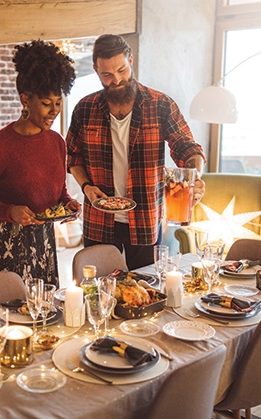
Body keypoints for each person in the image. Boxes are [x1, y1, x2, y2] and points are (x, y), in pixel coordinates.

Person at [66, 34, 206, 270]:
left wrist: (194, 178)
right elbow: (73, 156)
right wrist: (86, 186)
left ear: (131, 60)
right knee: (97, 291)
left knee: (146, 290)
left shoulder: (160, 104)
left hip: (144, 219)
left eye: (122, 70)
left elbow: (188, 149)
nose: (117, 80)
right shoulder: (84, 108)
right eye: (107, 75)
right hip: (99, 219)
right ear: (96, 71)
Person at [0, 40, 80, 286]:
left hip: (43, 242)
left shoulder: (57, 143)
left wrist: (67, 205)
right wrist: (9, 211)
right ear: (25, 99)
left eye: (59, 103)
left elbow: (58, 192)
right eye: (46, 103)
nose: (54, 111)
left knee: (46, 312)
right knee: (12, 316)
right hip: (6, 245)